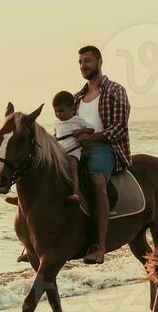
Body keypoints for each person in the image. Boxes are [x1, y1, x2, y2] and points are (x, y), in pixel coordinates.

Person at [74, 45, 133, 265]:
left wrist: (92, 138)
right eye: (80, 62)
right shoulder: (76, 97)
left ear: (99, 62)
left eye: (87, 61)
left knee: (97, 182)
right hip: (78, 148)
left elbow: (120, 127)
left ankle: (100, 245)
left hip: (106, 147)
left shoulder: (115, 90)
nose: (83, 66)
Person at [52, 89, 93, 204]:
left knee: (72, 168)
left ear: (72, 109)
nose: (58, 114)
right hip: (61, 152)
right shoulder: (56, 123)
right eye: (56, 111)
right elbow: (55, 135)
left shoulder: (77, 121)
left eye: (61, 111)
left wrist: (81, 131)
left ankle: (75, 193)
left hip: (73, 152)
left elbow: (91, 129)